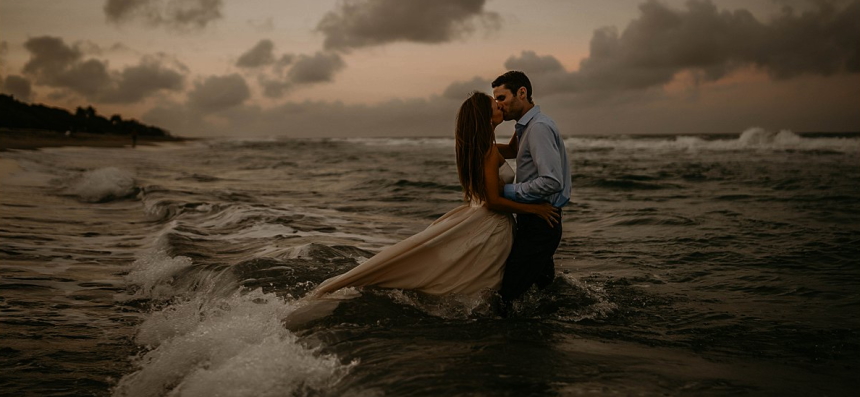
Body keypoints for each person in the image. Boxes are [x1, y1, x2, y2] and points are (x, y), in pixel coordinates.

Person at [311, 92, 559, 298]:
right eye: (496, 105)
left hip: (484, 219)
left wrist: (522, 115)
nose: (501, 107)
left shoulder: (483, 147)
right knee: (489, 282)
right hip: (492, 225)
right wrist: (535, 209)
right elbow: (493, 200)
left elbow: (515, 149)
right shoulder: (487, 152)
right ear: (485, 116)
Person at [491, 71, 571, 310]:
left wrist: (505, 191)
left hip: (541, 221)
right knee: (542, 293)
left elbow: (552, 181)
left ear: (522, 93)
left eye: (502, 98)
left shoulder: (538, 128)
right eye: (496, 101)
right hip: (535, 219)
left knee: (508, 295)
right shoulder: (527, 126)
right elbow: (515, 151)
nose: (499, 105)